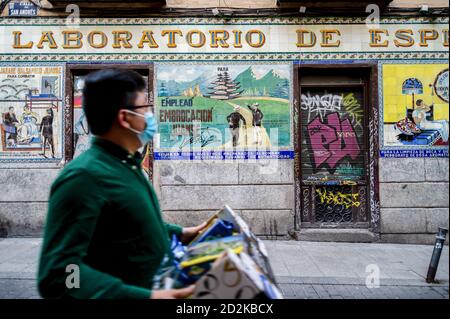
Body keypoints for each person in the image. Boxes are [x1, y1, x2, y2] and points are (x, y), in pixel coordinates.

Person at [38, 69, 206, 299]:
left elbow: (126, 224)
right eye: (145, 108)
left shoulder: (126, 164)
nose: (150, 115)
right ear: (125, 118)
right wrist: (145, 297)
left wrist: (180, 234)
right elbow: (61, 273)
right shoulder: (83, 178)